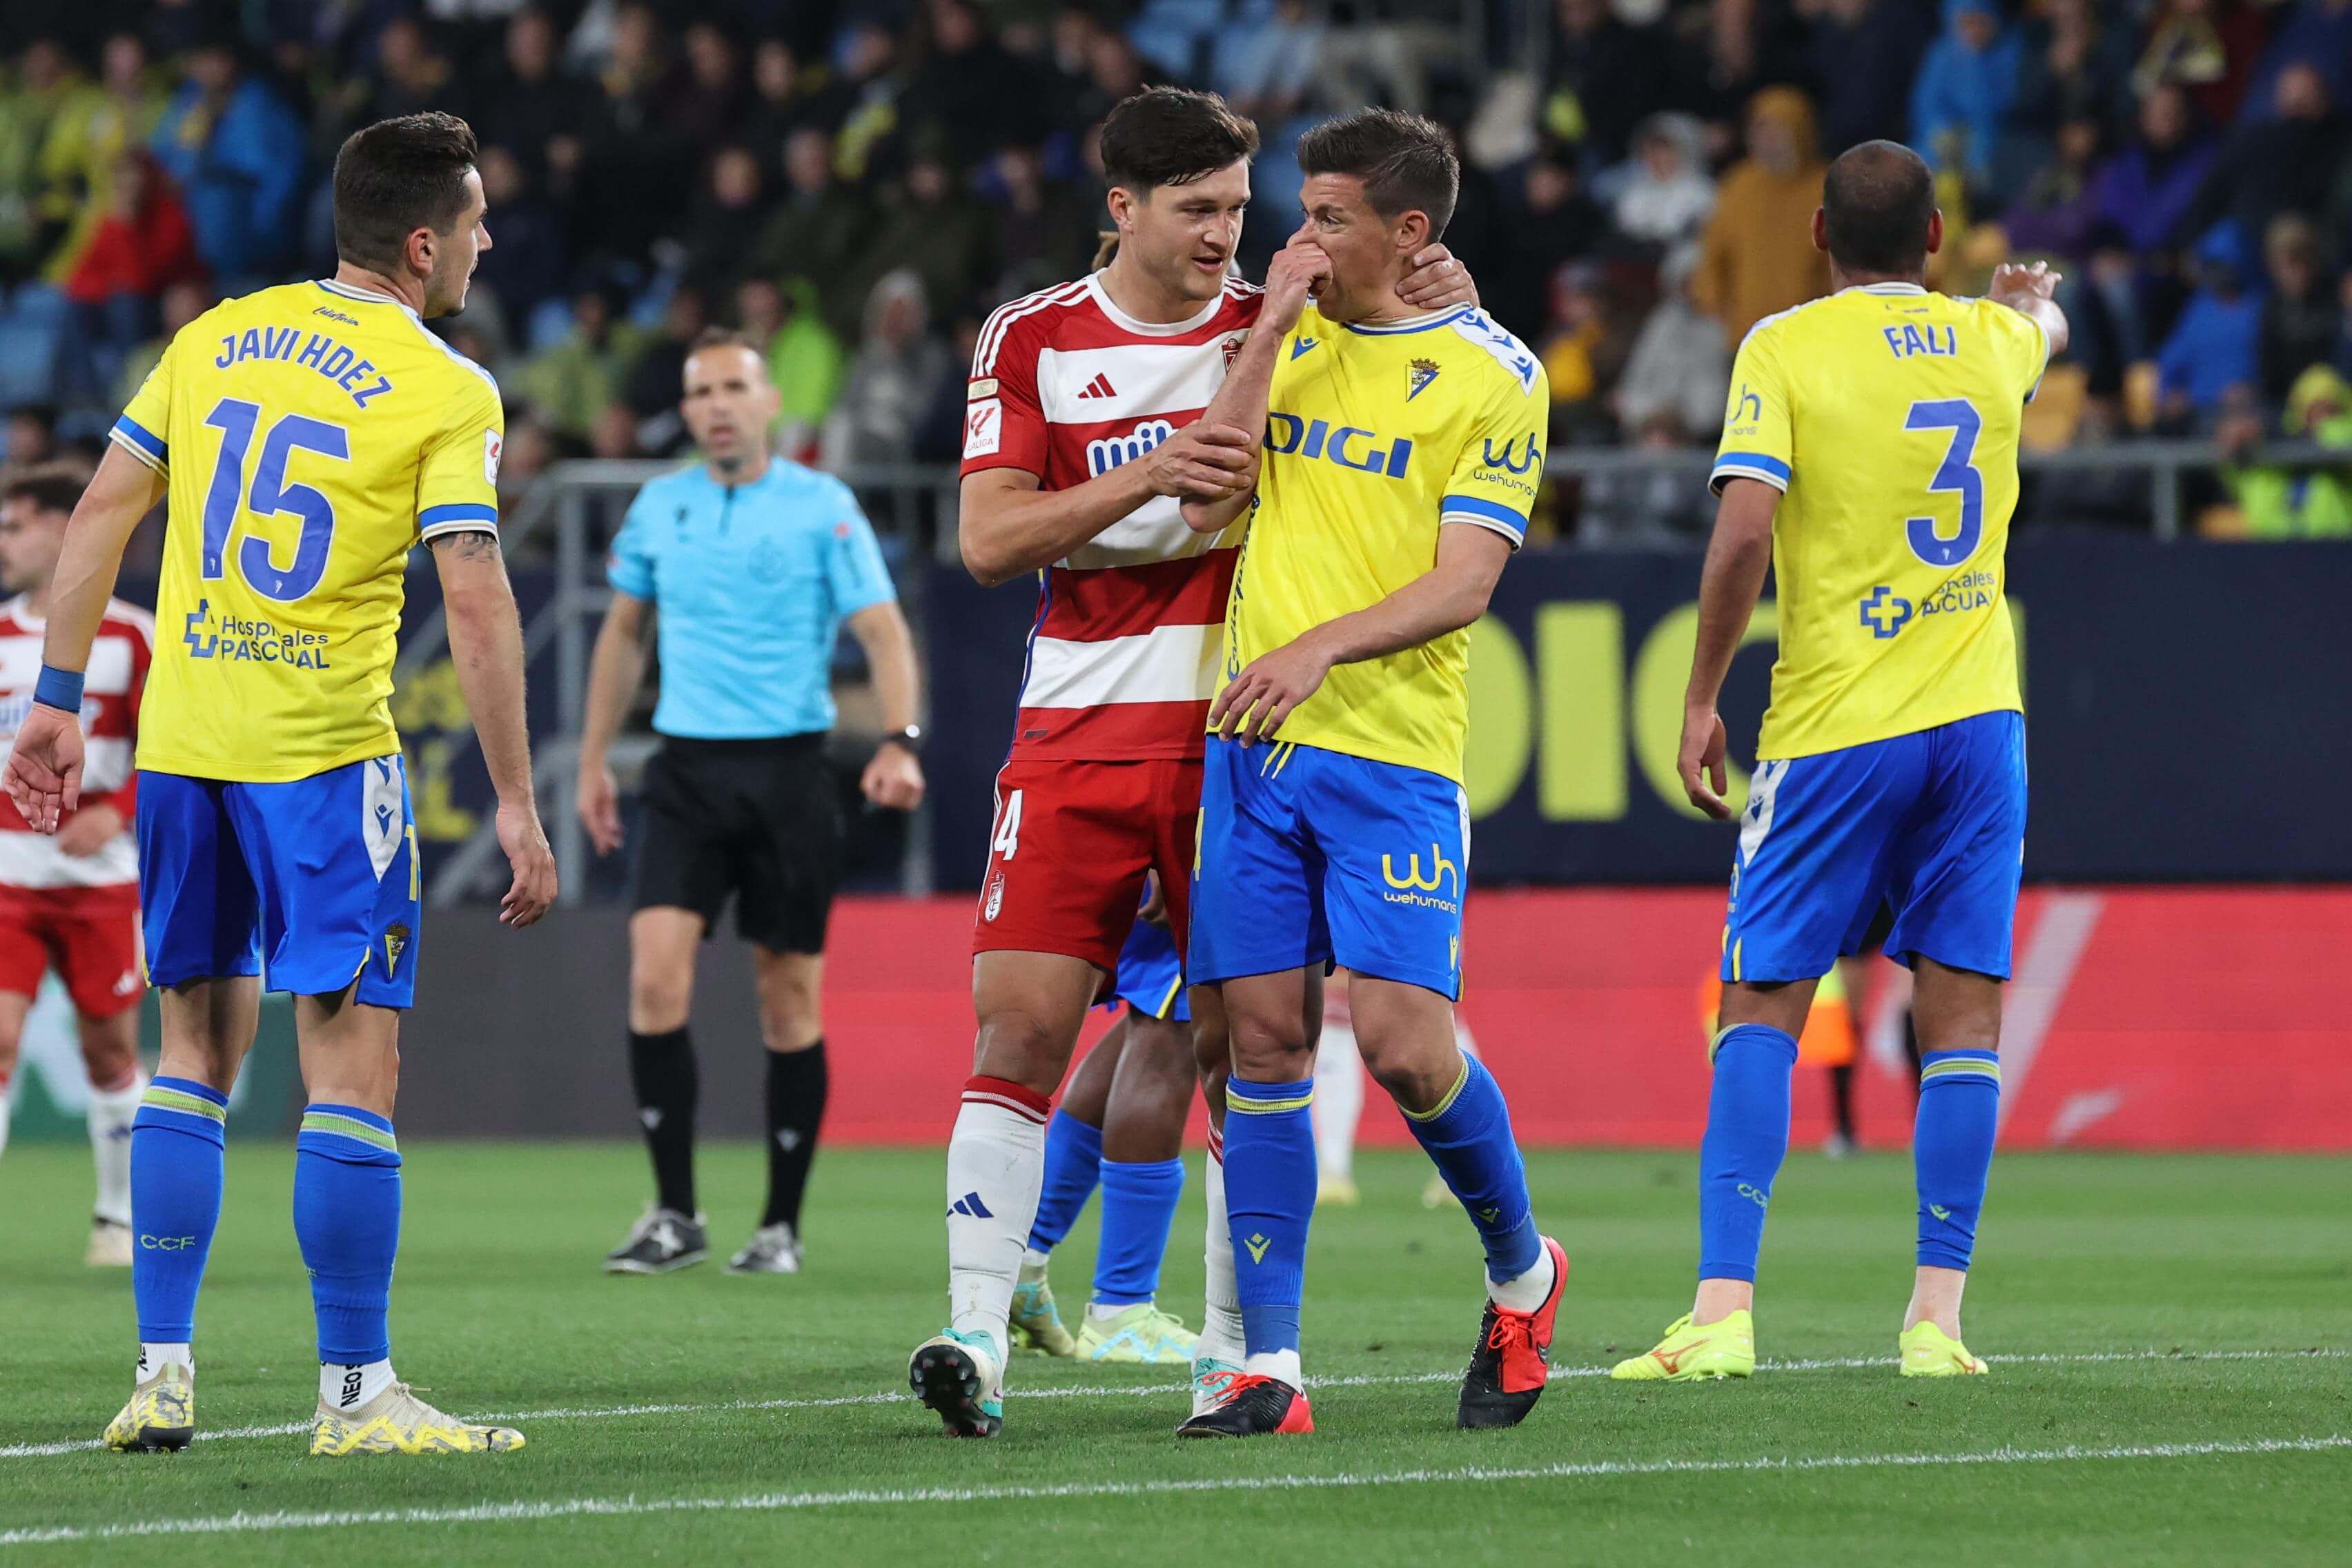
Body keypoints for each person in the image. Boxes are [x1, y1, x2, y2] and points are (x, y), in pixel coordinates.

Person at [908, 86, 1479, 1440]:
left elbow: (1424, 364)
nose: (1227, 233)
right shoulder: (1033, 336)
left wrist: (1445, 286)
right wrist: (1148, 471)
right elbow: (989, 540)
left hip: (1237, 738)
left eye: (1237, 206)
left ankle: (1233, 1353)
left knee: (1245, 1047)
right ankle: (975, 1332)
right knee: (1019, 1026)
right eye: (1197, 209)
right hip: (1074, 727)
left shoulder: (1287, 322)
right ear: (1123, 207)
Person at [2, 112, 558, 1456]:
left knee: (191, 1053)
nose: (484, 244)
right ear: (422, 245)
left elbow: (100, 513)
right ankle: (355, 1393)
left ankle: (162, 1373)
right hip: (321, 758)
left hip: (185, 750)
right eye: (474, 224)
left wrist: (56, 702)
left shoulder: (215, 336)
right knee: (352, 1065)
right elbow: (475, 597)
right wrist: (516, 798)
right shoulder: (447, 386)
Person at [1613, 139, 2065, 1386]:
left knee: (1762, 999)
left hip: (1836, 723)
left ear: (1817, 234)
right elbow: (2044, 325)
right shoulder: (1989, 340)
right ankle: (1936, 1324)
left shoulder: (1783, 348)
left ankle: (1721, 1312)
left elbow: (1742, 533)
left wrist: (1700, 696)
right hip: (1979, 722)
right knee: (1960, 1012)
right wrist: (2028, 296)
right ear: (1936, 237)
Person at [1175, 109, 1565, 1439]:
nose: (1299, 239)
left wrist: (1316, 648)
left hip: (1391, 751)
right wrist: (1267, 336)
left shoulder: (1494, 372)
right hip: (1252, 749)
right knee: (1263, 1044)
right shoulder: (1277, 337)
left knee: (1403, 1048)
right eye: (1300, 213)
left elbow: (1463, 583)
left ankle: (1521, 1269)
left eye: (1328, 218)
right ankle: (1269, 1366)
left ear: (1408, 232)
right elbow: (1205, 505)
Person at [578, 329, 926, 1277]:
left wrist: (901, 740)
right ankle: (675, 1215)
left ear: (770, 402)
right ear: (687, 412)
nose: (718, 406)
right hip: (685, 773)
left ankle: (779, 1226)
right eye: (701, 393)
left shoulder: (823, 506)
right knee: (655, 979)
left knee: (787, 1000)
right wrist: (593, 760)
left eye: (734, 387)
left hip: (788, 774)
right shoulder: (661, 506)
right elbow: (623, 636)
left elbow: (883, 631)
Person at [0, 466, 153, 1266]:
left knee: (110, 1053)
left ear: (65, 529)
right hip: (8, 878)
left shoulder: (132, 636)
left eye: (16, 526)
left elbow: (171, 749)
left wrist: (114, 811)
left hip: (102, 882)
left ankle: (117, 1217)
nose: (3, 542)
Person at [1010, 881, 1200, 1364]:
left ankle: (1018, 1263)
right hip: (1180, 855)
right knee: (1173, 1029)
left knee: (1153, 1017)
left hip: (1116, 854)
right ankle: (1121, 1310)